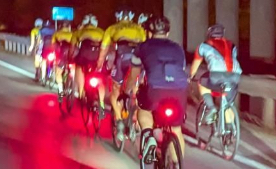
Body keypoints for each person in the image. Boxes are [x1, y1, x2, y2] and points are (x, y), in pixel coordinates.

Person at [134, 15, 189, 158]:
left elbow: (134, 71)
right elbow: (182, 68)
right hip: (180, 90)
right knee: (176, 129)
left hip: (156, 89)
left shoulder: (143, 47)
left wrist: (128, 90)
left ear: (148, 32)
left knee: (144, 109)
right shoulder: (178, 48)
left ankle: (148, 136)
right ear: (168, 33)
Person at [99, 10, 147, 140]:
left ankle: (119, 121)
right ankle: (135, 118)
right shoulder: (138, 28)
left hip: (122, 60)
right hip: (139, 61)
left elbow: (104, 49)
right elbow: (145, 45)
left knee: (115, 90)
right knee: (138, 89)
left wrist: (99, 65)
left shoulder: (112, 28)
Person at [189, 23, 242, 130]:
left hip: (216, 76)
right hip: (235, 76)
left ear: (209, 34)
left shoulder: (204, 46)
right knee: (227, 102)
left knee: (201, 82)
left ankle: (212, 108)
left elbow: (196, 64)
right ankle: (230, 131)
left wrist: (190, 76)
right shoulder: (232, 45)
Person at [71, 14, 106, 105]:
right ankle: (101, 103)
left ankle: (81, 93)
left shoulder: (78, 32)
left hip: (84, 56)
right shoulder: (102, 32)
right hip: (97, 57)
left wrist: (70, 58)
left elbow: (72, 48)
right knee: (100, 79)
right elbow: (107, 46)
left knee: (79, 67)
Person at [50, 19, 75, 93]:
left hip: (62, 55)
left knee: (58, 73)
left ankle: (61, 90)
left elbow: (53, 46)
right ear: (69, 26)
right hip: (73, 55)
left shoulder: (57, 34)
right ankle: (72, 78)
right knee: (73, 69)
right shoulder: (73, 34)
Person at [32, 17, 55, 83]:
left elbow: (39, 41)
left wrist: (36, 48)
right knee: (53, 61)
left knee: (44, 61)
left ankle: (43, 77)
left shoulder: (41, 31)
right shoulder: (54, 31)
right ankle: (50, 74)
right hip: (53, 49)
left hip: (45, 48)